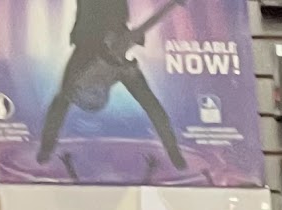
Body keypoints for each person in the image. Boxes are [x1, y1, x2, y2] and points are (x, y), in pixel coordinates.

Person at [37, 0, 187, 172]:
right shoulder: (95, 57)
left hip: (113, 45)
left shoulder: (119, 52)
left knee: (150, 102)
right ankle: (46, 147)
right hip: (89, 43)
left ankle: (173, 151)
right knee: (62, 99)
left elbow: (149, 23)